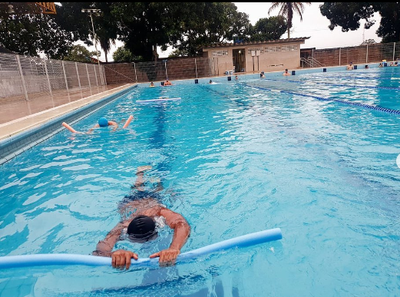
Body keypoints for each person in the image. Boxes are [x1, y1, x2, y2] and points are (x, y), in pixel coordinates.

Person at [92, 165, 191, 270]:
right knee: (140, 189)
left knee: (155, 189)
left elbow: (181, 224)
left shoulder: (158, 211)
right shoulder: (123, 226)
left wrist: (174, 248)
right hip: (132, 202)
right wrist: (115, 254)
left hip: (144, 201)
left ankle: (144, 176)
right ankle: (140, 174)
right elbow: (100, 252)